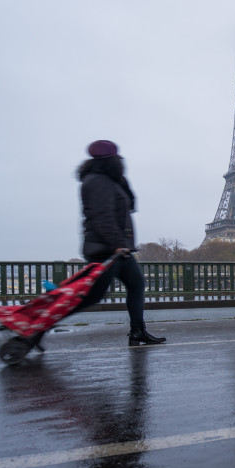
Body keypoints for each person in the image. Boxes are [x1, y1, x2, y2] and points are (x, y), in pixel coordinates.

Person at [74, 139, 166, 346]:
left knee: (137, 285)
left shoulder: (110, 181)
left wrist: (122, 182)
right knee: (91, 297)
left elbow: (128, 206)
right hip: (106, 251)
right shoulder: (97, 181)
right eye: (117, 158)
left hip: (118, 250)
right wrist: (117, 243)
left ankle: (137, 331)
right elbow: (102, 217)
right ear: (110, 160)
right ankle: (38, 328)